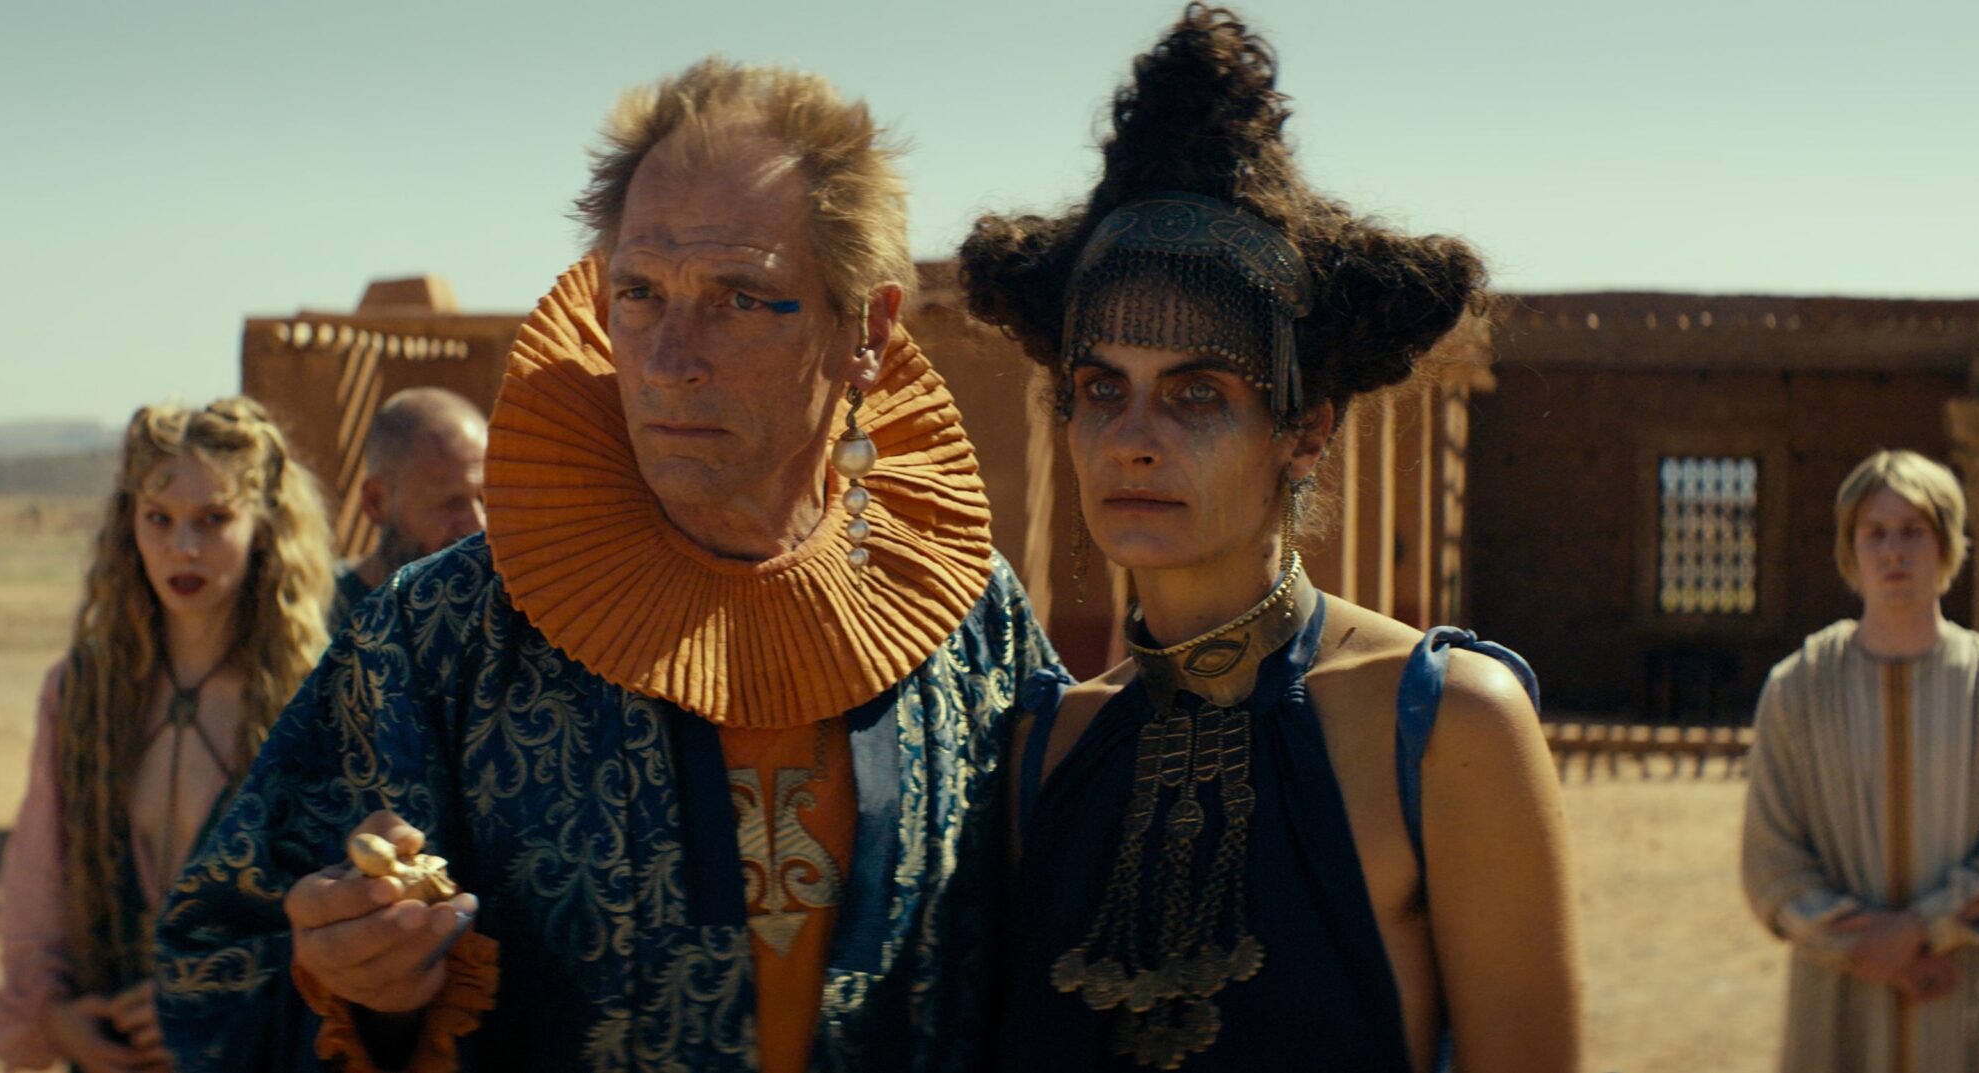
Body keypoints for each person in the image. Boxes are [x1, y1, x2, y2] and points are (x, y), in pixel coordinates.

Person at [155, 56, 1060, 1073]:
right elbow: (214, 962)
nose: (669, 360)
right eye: (639, 293)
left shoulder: (967, 621)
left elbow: (1074, 946)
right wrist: (358, 987)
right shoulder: (442, 638)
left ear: (867, 330)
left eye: (738, 297)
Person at [957, 7, 1580, 1070]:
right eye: (1100, 388)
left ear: (1303, 431)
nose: (1132, 438)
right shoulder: (1043, 749)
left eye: (1197, 393)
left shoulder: (1445, 725)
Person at [0, 398, 335, 1072]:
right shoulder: (81, 694)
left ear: (264, 526)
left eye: (214, 519)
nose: (183, 547)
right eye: (160, 519)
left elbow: (339, 913)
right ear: (130, 524)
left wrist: (217, 993)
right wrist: (55, 1016)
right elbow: (37, 884)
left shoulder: (310, 702)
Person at [1742, 449, 1979, 1073]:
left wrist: (1920, 931)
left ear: (1946, 545)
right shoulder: (1798, 690)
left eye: (1913, 531)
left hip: (1954, 993)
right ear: (1850, 549)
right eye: (1875, 533)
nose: (1893, 552)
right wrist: (1863, 948)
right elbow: (1772, 864)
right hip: (1835, 1007)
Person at [328, 388, 488, 634]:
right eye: (450, 504)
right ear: (376, 501)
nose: (478, 525)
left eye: (486, 501)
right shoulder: (312, 620)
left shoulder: (504, 614)